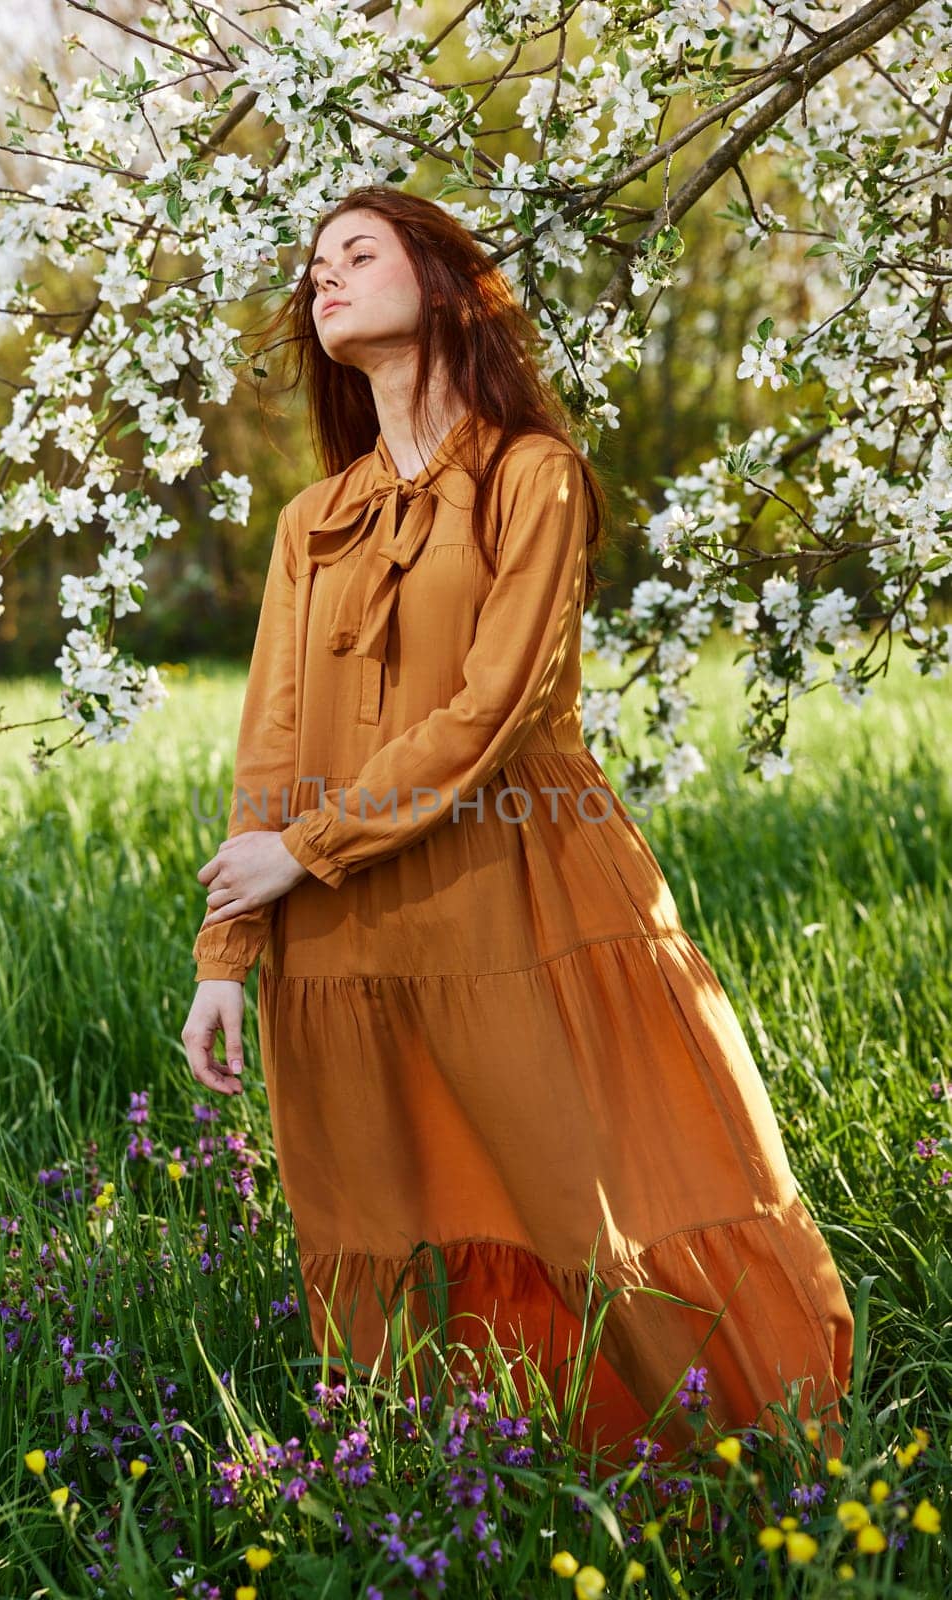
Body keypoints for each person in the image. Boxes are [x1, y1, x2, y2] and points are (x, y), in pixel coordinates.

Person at [181, 184, 854, 1470]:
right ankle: (458, 1485)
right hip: (340, 932)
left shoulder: (529, 477)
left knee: (590, 1195)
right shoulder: (308, 524)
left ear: (440, 285)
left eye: (355, 253)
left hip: (521, 894)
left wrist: (306, 846)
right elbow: (267, 750)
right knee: (392, 1208)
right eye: (311, 264)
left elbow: (493, 710)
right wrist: (230, 950)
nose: (321, 278)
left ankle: (746, 1470)